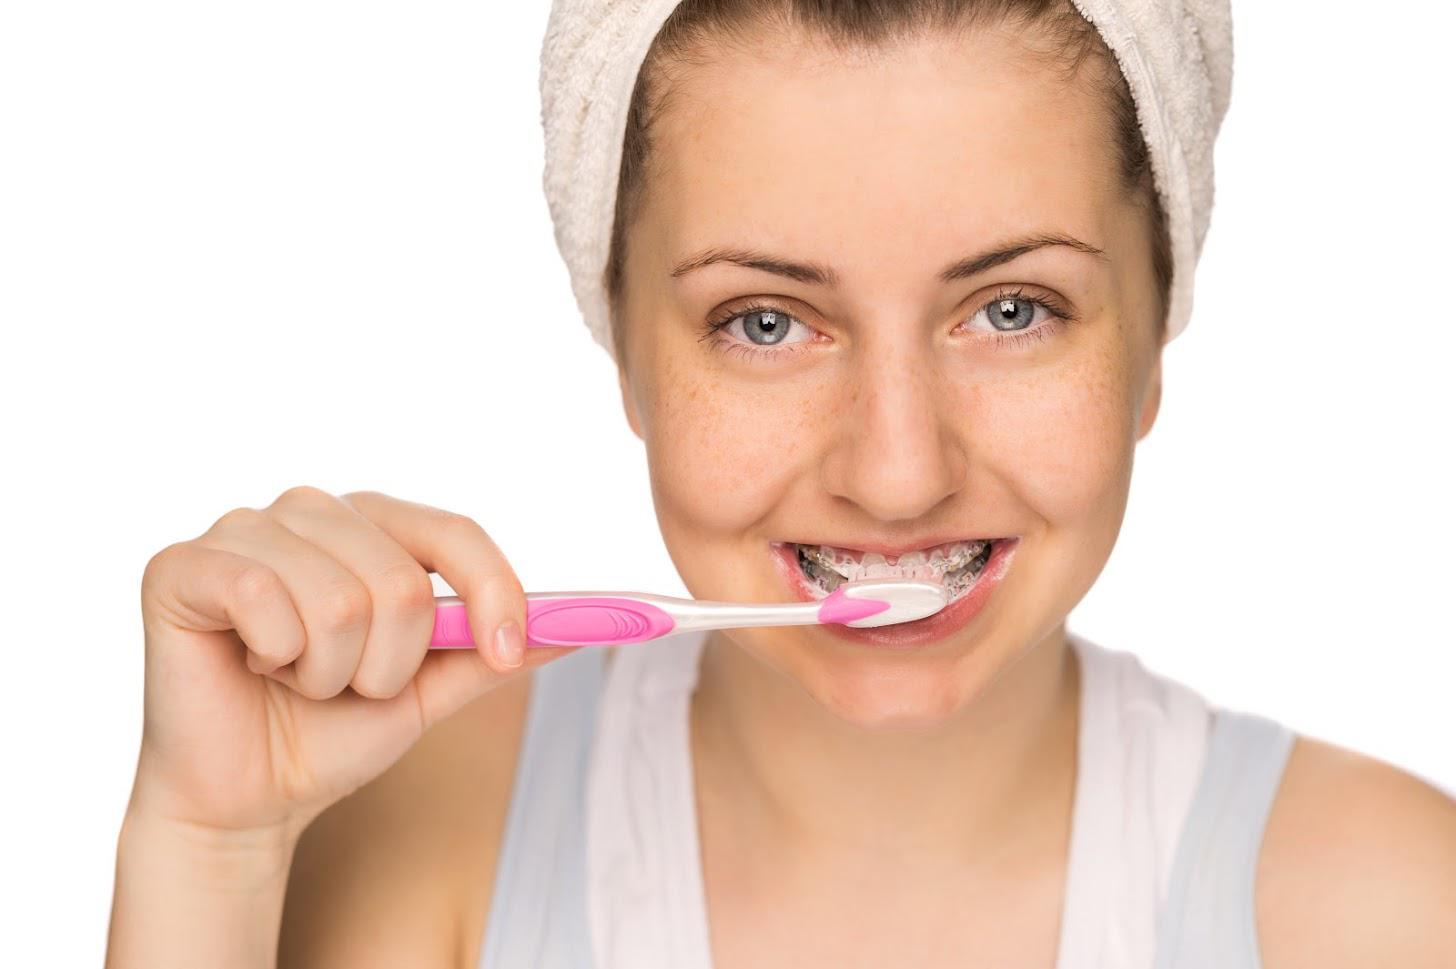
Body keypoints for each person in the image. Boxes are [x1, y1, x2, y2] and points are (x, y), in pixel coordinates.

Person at [105, 1, 1456, 967]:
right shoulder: (412, 849)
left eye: (1014, 309)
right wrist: (206, 848)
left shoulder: (1396, 908)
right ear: (624, 351)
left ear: (1155, 333)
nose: (898, 470)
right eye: (764, 320)